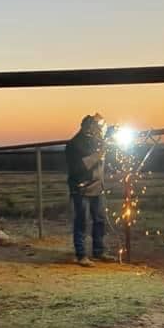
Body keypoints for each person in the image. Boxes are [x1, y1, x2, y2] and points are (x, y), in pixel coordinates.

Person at [65, 114, 116, 266]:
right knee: (82, 221)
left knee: (99, 220)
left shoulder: (96, 140)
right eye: (97, 128)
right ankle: (81, 255)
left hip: (97, 187)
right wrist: (98, 155)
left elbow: (104, 142)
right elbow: (79, 167)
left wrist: (112, 132)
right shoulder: (74, 144)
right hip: (81, 188)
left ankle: (98, 252)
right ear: (88, 127)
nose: (99, 131)